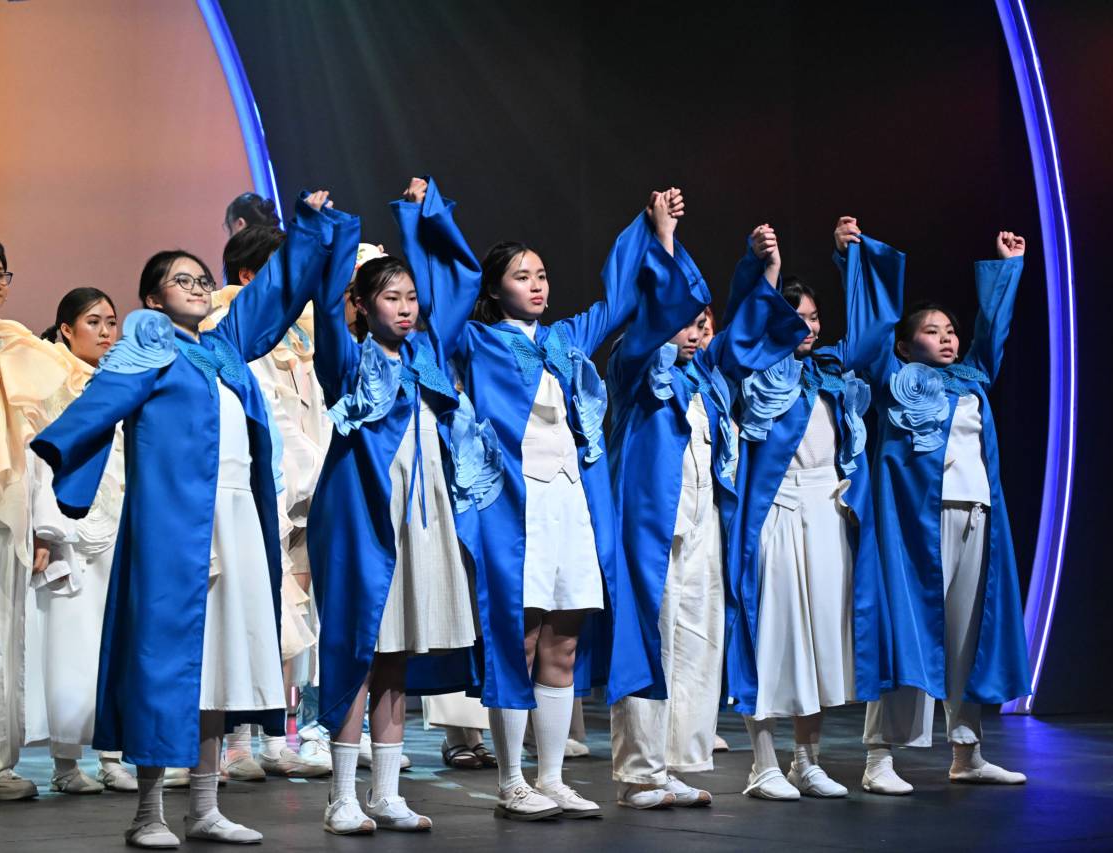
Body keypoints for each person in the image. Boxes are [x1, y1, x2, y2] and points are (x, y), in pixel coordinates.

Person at [30, 191, 345, 847]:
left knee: (219, 666)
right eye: (182, 279)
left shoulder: (224, 348)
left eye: (203, 278)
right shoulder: (149, 345)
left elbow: (275, 292)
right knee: (164, 661)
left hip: (235, 518)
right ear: (153, 299)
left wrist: (312, 228)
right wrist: (60, 450)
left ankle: (204, 806)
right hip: (176, 526)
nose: (199, 286)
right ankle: (149, 812)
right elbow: (103, 401)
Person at [450, 188, 686, 821]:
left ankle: (551, 778)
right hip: (515, 508)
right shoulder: (475, 340)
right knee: (519, 638)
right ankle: (511, 781)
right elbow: (444, 303)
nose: (536, 285)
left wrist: (655, 230)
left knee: (563, 641)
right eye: (521, 276)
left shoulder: (564, 338)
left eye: (542, 275)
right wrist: (427, 224)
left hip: (570, 503)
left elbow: (621, 300)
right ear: (494, 287)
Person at [308, 176, 489, 835]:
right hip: (364, 515)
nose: (408, 308)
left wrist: (418, 216)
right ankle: (341, 796)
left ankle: (385, 792)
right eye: (392, 297)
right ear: (362, 303)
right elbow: (326, 310)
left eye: (411, 297)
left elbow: (461, 282)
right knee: (358, 647)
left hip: (421, 517)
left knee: (394, 655)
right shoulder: (348, 360)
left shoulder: (427, 354)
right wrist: (330, 235)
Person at [608, 222, 807, 810]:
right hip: (652, 525)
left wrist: (766, 269)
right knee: (651, 641)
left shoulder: (705, 377)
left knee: (696, 638)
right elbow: (655, 310)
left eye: (700, 322)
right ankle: (638, 772)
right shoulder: (634, 364)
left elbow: (745, 331)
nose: (696, 332)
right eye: (685, 321)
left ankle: (673, 763)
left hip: (702, 522)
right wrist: (664, 239)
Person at [726, 217, 902, 800]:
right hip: (777, 511)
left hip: (828, 512)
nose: (808, 326)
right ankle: (763, 764)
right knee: (774, 635)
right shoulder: (753, 372)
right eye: (796, 316)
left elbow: (875, 333)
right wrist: (766, 269)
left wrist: (849, 259)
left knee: (821, 636)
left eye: (815, 316)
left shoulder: (829, 371)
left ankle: (807, 759)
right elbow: (741, 330)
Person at [859, 231, 1031, 795]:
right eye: (932, 331)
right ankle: (879, 756)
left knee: (966, 637)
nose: (947, 337)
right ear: (906, 345)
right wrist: (855, 258)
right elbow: (870, 333)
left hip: (976, 516)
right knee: (909, 633)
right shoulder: (894, 380)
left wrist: (1008, 268)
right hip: (920, 527)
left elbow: (993, 330)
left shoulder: (973, 378)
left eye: (950, 329)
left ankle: (967, 752)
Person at [202, 225, 331, 781]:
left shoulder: (300, 331)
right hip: (265, 486)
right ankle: (235, 742)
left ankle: (280, 736)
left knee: (293, 615)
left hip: (307, 488)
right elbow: (266, 418)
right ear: (251, 275)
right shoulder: (227, 326)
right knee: (250, 607)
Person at [0, 233, 72, 804]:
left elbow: (34, 445)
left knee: (5, 634)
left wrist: (41, 525)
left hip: (5, 511)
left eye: (0, 272)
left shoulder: (17, 350)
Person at [25, 288, 138, 795]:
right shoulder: (49, 381)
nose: (106, 331)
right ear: (66, 329)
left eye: (111, 321)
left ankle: (112, 755)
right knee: (70, 641)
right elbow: (39, 459)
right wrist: (45, 530)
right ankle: (66, 761)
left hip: (118, 517)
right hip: (71, 526)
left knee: (118, 641)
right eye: (94, 322)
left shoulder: (123, 381)